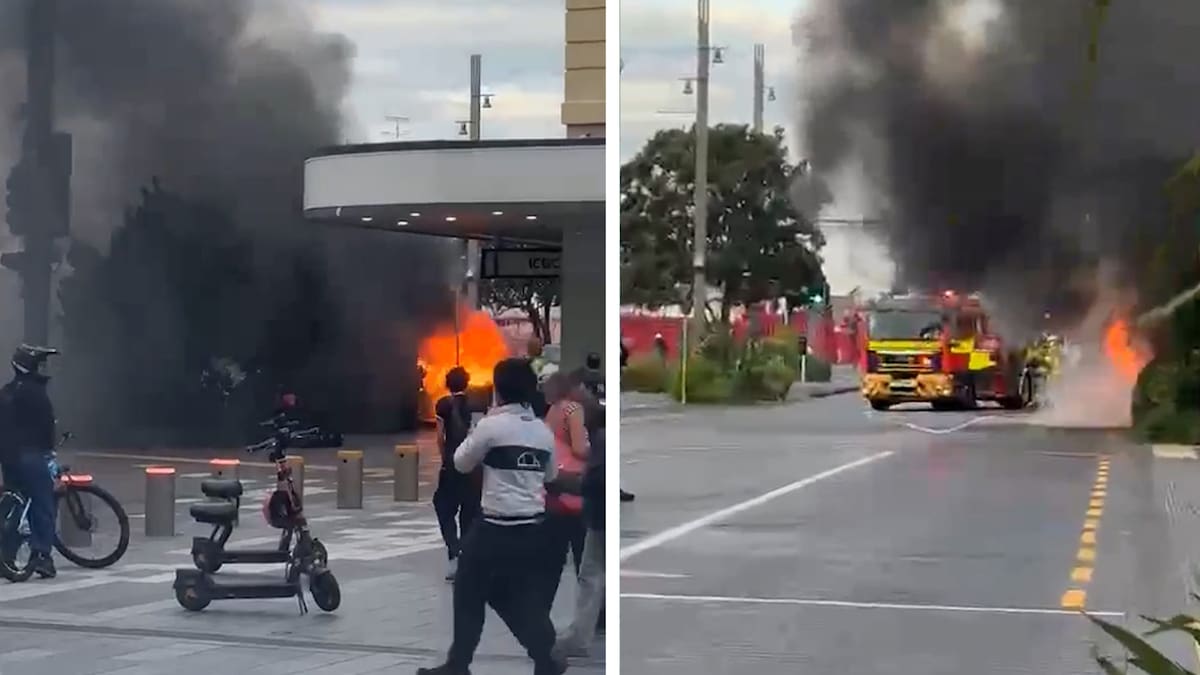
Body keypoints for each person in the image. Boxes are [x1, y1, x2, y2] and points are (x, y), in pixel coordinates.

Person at [418, 358, 568, 675]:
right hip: (531, 528)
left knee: (469, 588)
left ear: (498, 389)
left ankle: (460, 664)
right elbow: (550, 474)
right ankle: (544, 653)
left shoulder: (492, 425)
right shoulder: (541, 431)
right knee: (507, 593)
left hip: (495, 526)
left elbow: (460, 462)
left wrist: (479, 429)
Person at [554, 377, 606, 659]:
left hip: (597, 513)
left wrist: (569, 482)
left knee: (591, 573)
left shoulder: (599, 434)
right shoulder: (597, 428)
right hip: (596, 511)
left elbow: (596, 477)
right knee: (595, 571)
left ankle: (579, 637)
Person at [0, 344, 61, 579]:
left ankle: (7, 554)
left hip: (9, 457)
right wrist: (49, 451)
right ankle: (43, 556)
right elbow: (46, 425)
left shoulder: (7, 390)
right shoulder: (35, 392)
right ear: (29, 366)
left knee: (16, 502)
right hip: (31, 454)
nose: (43, 368)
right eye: (39, 364)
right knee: (43, 502)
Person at [539, 372, 588, 614]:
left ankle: (541, 609)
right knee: (585, 556)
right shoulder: (573, 409)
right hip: (575, 484)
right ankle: (594, 613)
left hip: (553, 484)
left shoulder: (552, 412)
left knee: (552, 558)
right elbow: (579, 448)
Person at [433, 367, 481, 581]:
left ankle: (454, 552)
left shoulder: (443, 405)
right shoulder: (476, 405)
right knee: (469, 512)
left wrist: (445, 460)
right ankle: (468, 557)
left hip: (452, 465)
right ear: (467, 383)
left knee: (443, 507)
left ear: (447, 384)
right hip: (473, 465)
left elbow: (439, 437)